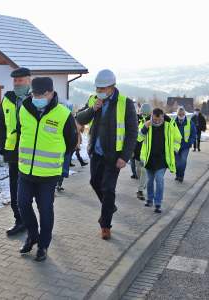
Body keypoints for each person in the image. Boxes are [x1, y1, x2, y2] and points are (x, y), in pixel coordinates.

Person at [17, 77, 77, 261]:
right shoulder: (24, 110)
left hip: (48, 174)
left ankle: (43, 245)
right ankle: (32, 235)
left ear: (51, 93)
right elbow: (21, 133)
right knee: (23, 204)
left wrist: (56, 160)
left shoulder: (63, 114)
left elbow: (71, 143)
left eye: (41, 94)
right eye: (34, 94)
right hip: (25, 171)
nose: (36, 97)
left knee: (45, 210)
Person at [76, 69, 138, 240]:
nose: (99, 92)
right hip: (96, 153)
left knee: (108, 189)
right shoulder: (93, 99)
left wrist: (124, 156)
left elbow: (133, 132)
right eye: (98, 88)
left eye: (103, 89)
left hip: (114, 155)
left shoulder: (125, 103)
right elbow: (80, 118)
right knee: (94, 182)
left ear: (112, 87)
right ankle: (109, 207)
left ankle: (105, 225)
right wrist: (92, 109)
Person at [0, 67, 31, 236]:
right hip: (13, 153)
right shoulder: (7, 99)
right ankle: (19, 220)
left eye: (21, 80)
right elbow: (0, 125)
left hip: (32, 153)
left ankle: (31, 220)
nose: (17, 83)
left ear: (29, 80)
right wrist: (2, 146)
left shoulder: (36, 98)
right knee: (14, 188)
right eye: (15, 81)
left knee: (29, 189)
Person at [138, 108, 182, 213]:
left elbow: (178, 138)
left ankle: (158, 204)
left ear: (163, 117)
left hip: (163, 159)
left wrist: (174, 151)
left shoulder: (169, 124)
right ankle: (149, 199)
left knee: (159, 180)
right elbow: (139, 138)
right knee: (149, 181)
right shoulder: (146, 123)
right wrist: (145, 127)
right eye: (155, 119)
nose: (157, 121)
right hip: (149, 158)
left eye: (159, 119)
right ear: (152, 116)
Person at [134, 103, 152, 201]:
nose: (144, 115)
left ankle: (140, 190)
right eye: (142, 113)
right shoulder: (136, 119)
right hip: (137, 149)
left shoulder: (152, 122)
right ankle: (143, 183)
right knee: (139, 171)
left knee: (144, 170)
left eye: (146, 114)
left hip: (145, 150)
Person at [174, 106, 197, 182]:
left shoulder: (190, 123)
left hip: (185, 146)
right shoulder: (173, 123)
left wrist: (190, 142)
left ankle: (181, 176)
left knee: (183, 161)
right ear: (177, 114)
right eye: (179, 114)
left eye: (182, 114)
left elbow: (193, 134)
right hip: (176, 146)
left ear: (184, 114)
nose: (181, 116)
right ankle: (177, 174)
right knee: (177, 162)